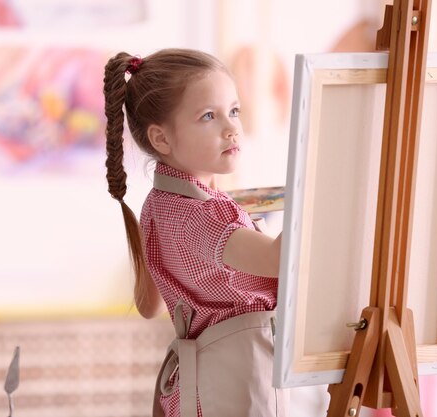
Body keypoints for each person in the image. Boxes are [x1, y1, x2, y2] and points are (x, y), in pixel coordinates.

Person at [103, 48, 285, 417]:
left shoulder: (158, 206)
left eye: (234, 111)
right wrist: (318, 184)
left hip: (197, 389)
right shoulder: (203, 213)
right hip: (230, 387)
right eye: (208, 116)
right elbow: (280, 260)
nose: (231, 127)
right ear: (162, 139)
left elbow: (149, 304)